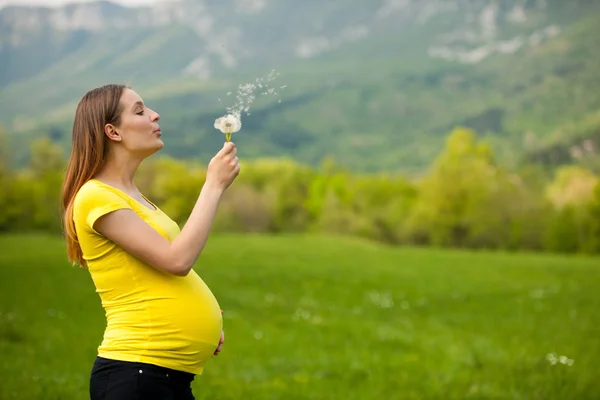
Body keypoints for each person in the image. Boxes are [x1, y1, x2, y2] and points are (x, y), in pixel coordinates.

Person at [60, 84, 240, 400]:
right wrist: (213, 186)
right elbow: (177, 260)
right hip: (136, 373)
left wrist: (200, 324)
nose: (155, 115)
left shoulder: (133, 197)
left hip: (160, 375)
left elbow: (155, 270)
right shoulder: (95, 196)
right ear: (113, 131)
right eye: (140, 110)